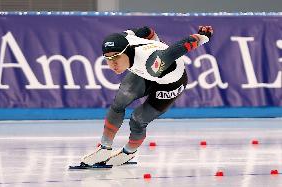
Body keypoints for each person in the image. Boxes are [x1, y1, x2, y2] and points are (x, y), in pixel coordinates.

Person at [81, 25, 213, 166]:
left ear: (127, 51)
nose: (113, 63)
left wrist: (203, 37)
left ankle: (129, 152)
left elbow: (181, 47)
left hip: (171, 82)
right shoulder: (125, 38)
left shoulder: (153, 62)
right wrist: (155, 40)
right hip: (145, 72)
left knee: (138, 120)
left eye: (117, 57)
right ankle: (105, 147)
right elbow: (146, 30)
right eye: (108, 59)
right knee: (120, 101)